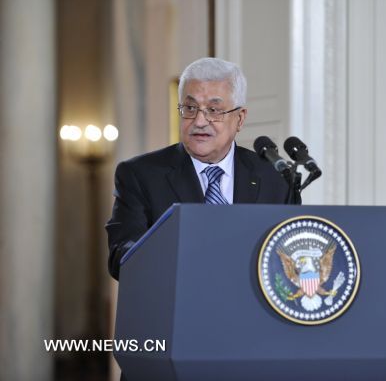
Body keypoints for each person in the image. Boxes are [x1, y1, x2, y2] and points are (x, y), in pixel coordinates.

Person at [106, 57, 292, 280]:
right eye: (190, 108)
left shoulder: (274, 177)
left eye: (214, 110)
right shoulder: (140, 175)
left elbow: (287, 256)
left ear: (240, 119)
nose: (200, 121)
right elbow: (121, 257)